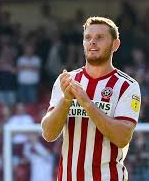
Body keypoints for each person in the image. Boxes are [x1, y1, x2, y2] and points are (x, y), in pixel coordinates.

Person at [41, 16, 141, 181]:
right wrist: (66, 101)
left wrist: (87, 103)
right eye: (88, 37)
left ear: (115, 45)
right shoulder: (66, 81)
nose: (92, 42)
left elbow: (122, 137)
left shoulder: (127, 86)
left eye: (99, 38)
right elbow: (48, 133)